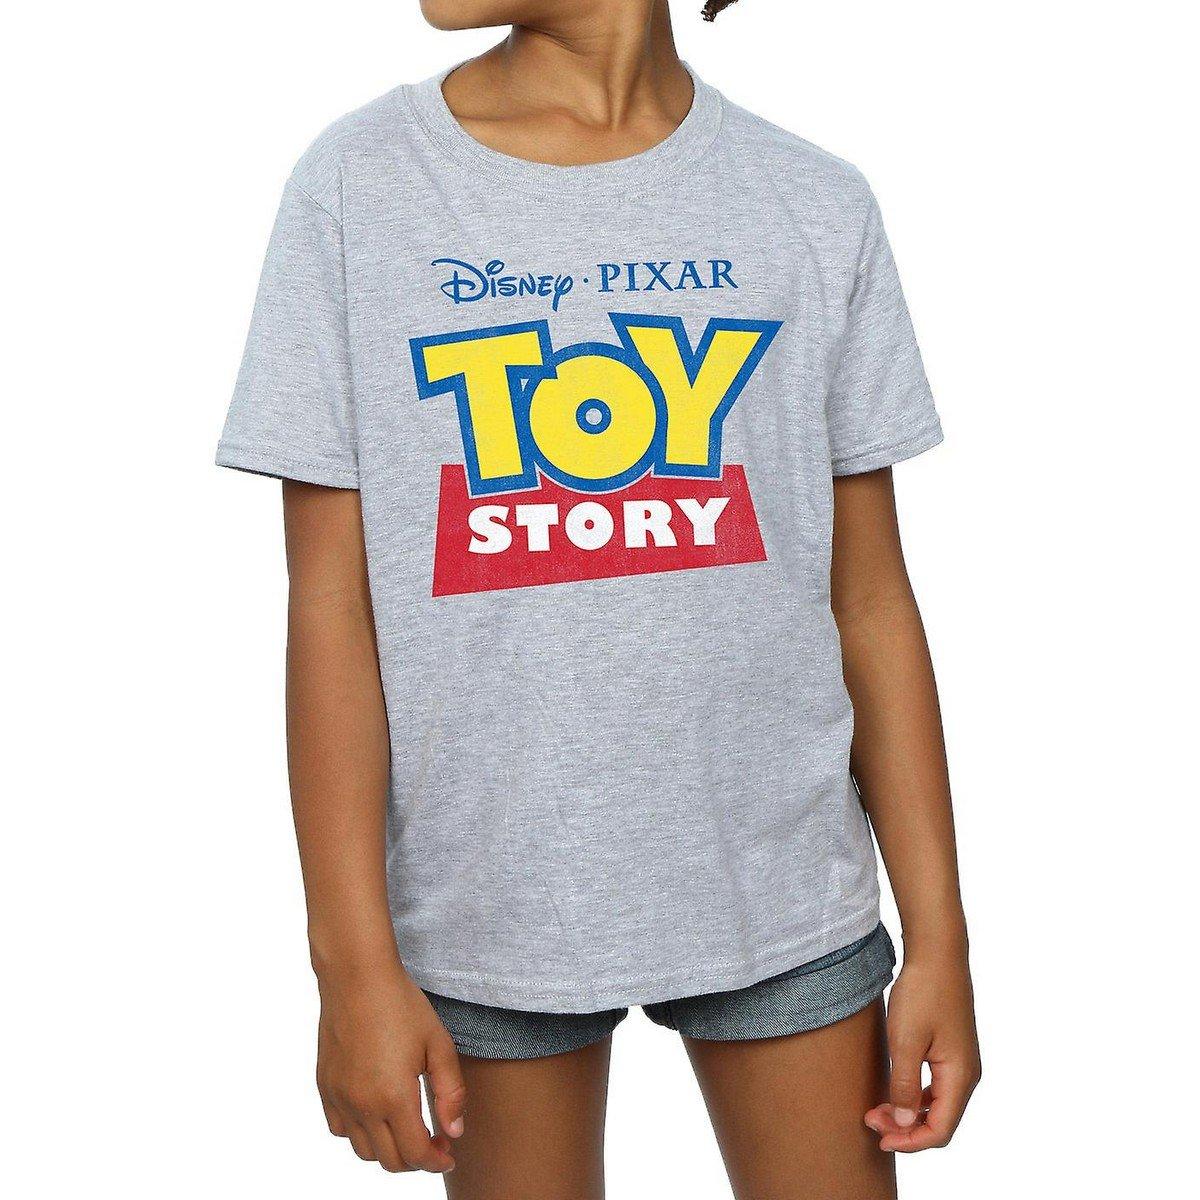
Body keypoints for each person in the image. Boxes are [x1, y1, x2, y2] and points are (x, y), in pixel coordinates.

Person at [216, 1, 981, 1195]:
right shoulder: (361, 188)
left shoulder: (811, 201)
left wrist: (941, 936)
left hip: (784, 886)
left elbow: (872, 600)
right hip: (489, 901)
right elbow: (329, 606)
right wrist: (351, 964)